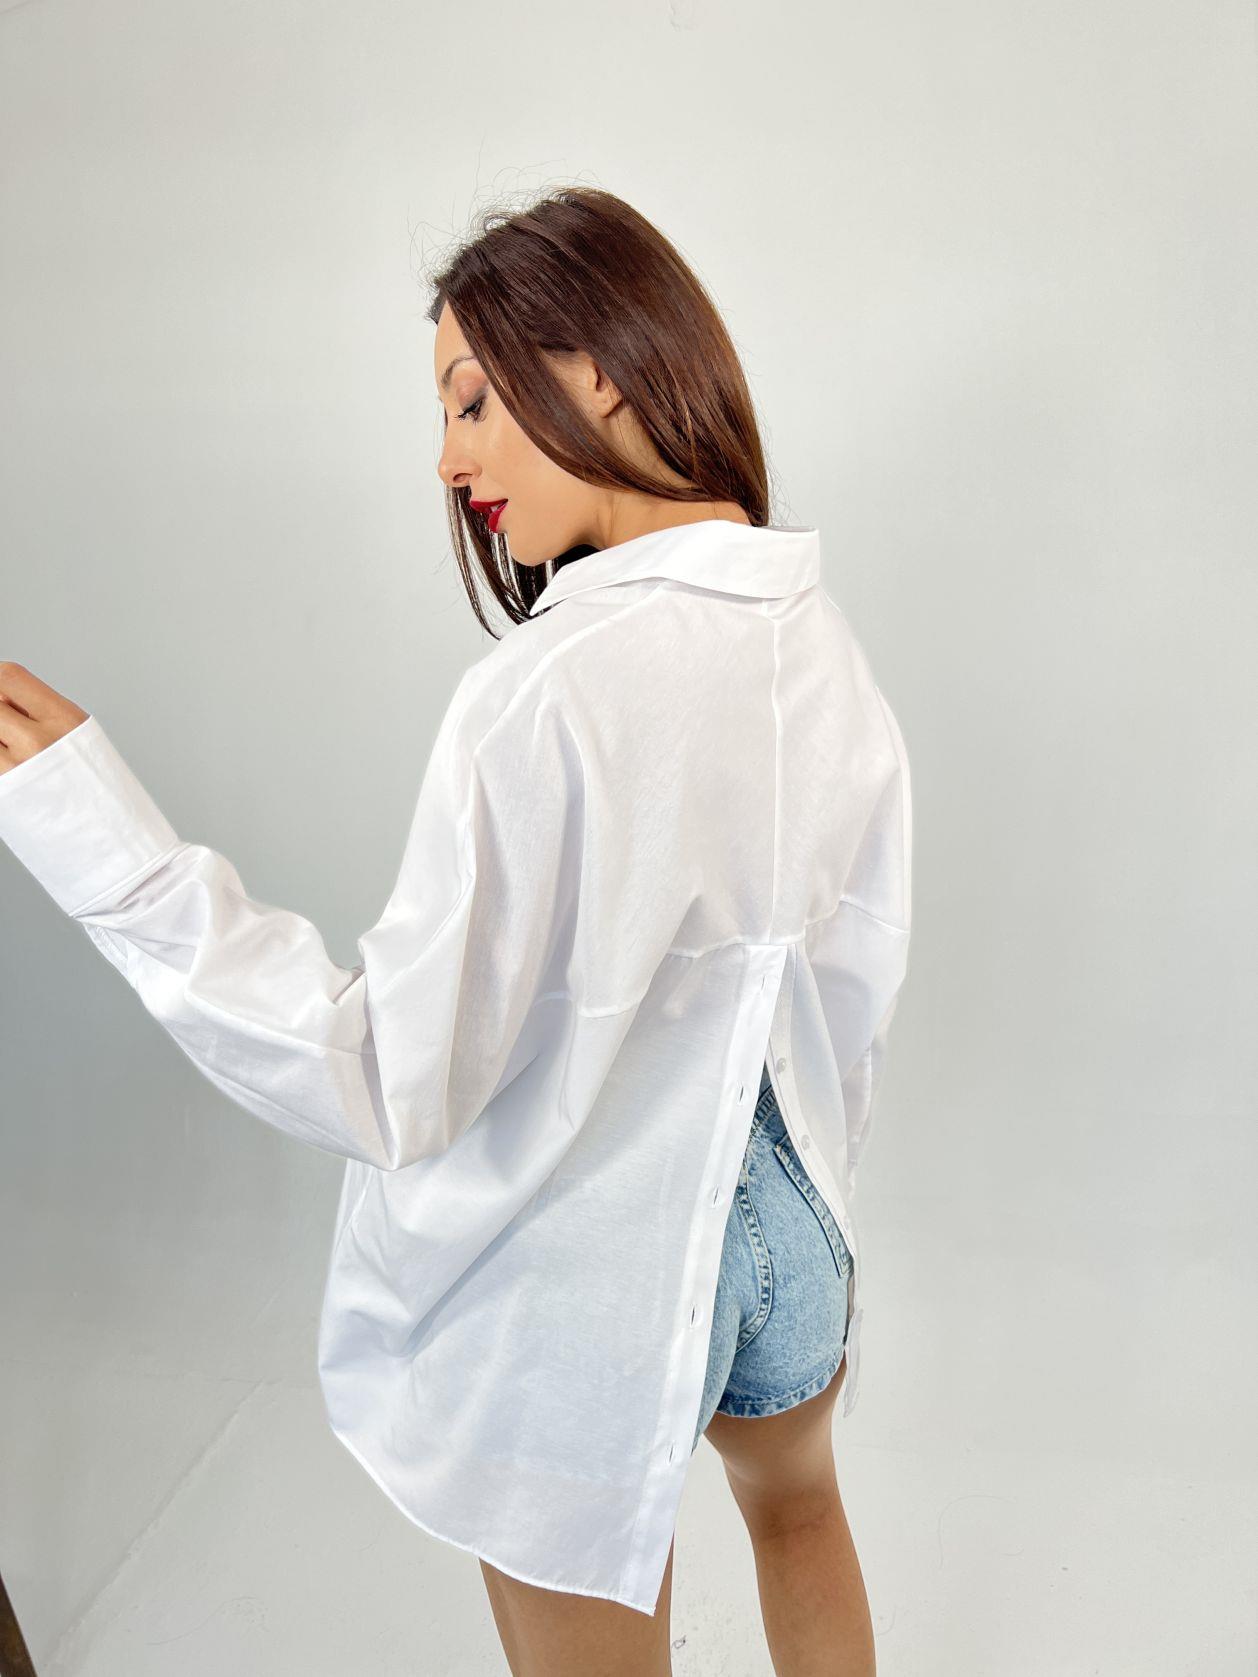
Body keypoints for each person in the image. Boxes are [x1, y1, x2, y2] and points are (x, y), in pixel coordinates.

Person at [0, 186, 911, 1677]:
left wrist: (109, 847)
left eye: (472, 398)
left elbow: (387, 1075)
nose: (449, 457)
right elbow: (851, 978)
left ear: (596, 370)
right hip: (796, 1219)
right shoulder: (818, 639)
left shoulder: (547, 690)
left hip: (597, 1268)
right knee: (801, 1518)